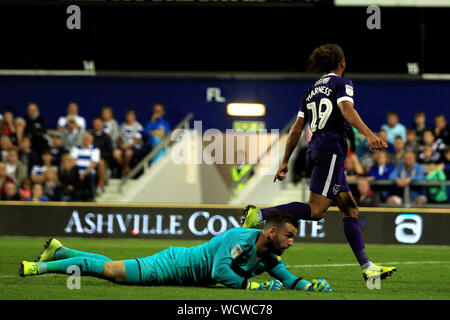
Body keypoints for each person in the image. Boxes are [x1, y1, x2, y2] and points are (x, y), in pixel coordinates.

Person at [241, 44, 396, 281]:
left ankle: (368, 267)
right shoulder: (342, 84)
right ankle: (260, 214)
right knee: (315, 211)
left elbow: (296, 130)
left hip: (318, 150)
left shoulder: (311, 92)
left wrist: (285, 161)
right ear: (341, 63)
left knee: (350, 208)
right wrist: (371, 135)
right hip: (331, 150)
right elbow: (347, 110)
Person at [20, 210, 332, 293]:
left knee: (113, 265)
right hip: (172, 266)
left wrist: (310, 286)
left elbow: (287, 278)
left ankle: (59, 251)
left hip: (179, 268)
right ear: (271, 232)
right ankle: (38, 268)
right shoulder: (241, 237)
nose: (292, 242)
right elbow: (219, 271)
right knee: (112, 272)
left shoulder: (269, 255)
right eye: (289, 236)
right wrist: (253, 285)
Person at [114, 109, 144, 177]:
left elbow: (137, 139)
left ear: (134, 117)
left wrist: (128, 146)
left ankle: (124, 170)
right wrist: (121, 145)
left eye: (131, 116)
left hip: (135, 146)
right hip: (123, 146)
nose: (129, 118)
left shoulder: (139, 126)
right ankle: (127, 168)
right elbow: (119, 138)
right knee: (116, 153)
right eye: (128, 116)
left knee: (128, 153)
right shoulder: (122, 126)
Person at [70, 132, 100, 201]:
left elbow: (93, 164)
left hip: (88, 172)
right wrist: (79, 173)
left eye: (87, 139)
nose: (86, 140)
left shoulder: (95, 150)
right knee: (73, 175)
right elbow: (73, 162)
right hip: (77, 172)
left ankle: (91, 197)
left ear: (91, 140)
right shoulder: (76, 148)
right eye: (84, 139)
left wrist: (84, 173)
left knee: (90, 176)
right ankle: (75, 198)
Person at [90, 117, 113, 194]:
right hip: (89, 159)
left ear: (102, 125)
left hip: (101, 159)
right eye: (95, 124)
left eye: (98, 124)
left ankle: (100, 184)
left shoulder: (106, 137)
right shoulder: (89, 135)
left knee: (100, 162)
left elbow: (110, 152)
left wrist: (98, 156)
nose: (97, 126)